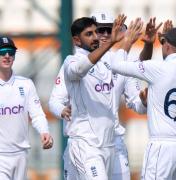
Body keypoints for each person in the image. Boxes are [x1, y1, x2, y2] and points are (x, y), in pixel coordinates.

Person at [61, 15, 137, 180]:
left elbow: (129, 67)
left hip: (108, 145)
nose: (96, 37)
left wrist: (130, 43)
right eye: (89, 34)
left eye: (96, 32)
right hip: (86, 145)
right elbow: (81, 69)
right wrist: (111, 42)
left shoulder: (106, 63)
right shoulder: (71, 61)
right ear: (76, 40)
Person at [111, 24, 176, 180]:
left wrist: (128, 41)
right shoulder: (165, 68)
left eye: (163, 42)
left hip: (161, 146)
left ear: (168, 46)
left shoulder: (158, 68)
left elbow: (116, 65)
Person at [0, 36, 53, 180]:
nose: (7, 56)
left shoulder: (26, 84)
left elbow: (37, 114)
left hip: (21, 154)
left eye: (11, 52)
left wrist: (44, 131)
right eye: (2, 51)